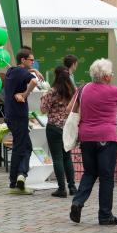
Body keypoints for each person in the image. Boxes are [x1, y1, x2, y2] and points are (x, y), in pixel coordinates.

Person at [69, 59, 117, 226]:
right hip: (106, 137)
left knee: (89, 172)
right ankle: (105, 215)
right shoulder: (113, 91)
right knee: (106, 177)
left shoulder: (83, 89)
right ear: (107, 77)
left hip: (86, 136)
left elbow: (70, 109)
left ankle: (77, 202)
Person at [4, 47, 43, 192]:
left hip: (10, 114)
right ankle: (14, 181)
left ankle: (21, 175)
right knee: (20, 148)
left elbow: (28, 74)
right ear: (23, 60)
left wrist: (33, 70)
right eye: (31, 60)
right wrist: (25, 95)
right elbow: (33, 82)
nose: (33, 62)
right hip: (19, 115)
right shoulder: (22, 72)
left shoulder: (11, 71)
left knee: (26, 146)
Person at [40, 66, 77, 198]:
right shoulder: (73, 91)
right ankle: (72, 187)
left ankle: (62, 189)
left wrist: (43, 97)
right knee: (67, 157)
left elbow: (43, 110)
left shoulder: (52, 91)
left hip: (54, 127)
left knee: (57, 158)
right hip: (67, 128)